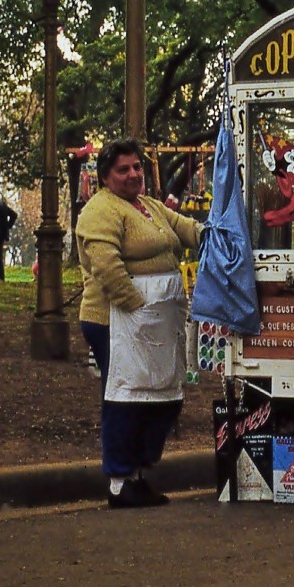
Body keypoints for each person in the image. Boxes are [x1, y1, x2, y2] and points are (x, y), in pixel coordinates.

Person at [75, 138, 203, 508]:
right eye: (123, 169)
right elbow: (106, 266)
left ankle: (138, 472)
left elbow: (185, 229)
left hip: (158, 322)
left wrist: (217, 236)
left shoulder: (149, 206)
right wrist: (138, 306)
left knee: (163, 398)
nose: (133, 175)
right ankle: (119, 480)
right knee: (127, 397)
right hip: (116, 320)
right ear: (105, 176)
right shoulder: (100, 210)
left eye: (136, 168)